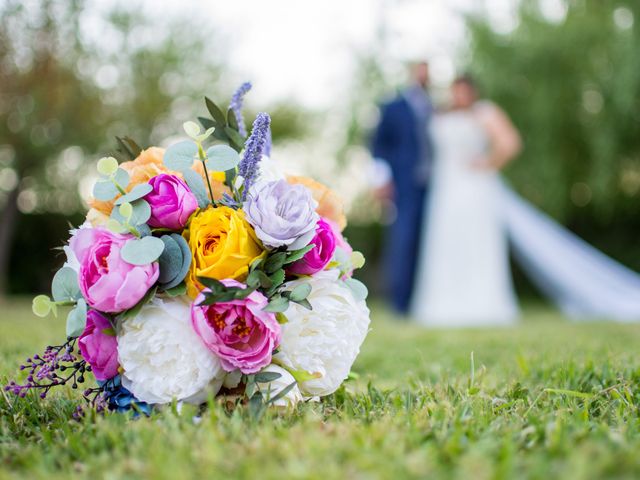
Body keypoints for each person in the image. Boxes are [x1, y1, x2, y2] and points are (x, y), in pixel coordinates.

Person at [412, 75, 521, 327]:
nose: (458, 96)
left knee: (475, 241)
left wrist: (488, 163)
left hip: (474, 188)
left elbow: (510, 143)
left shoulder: (484, 112)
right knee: (447, 242)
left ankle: (482, 302)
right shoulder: (440, 115)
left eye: (463, 91)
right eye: (455, 91)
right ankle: (442, 303)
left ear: (473, 92)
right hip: (444, 190)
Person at [371, 61, 434, 315]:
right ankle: (400, 303)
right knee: (403, 240)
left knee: (428, 241)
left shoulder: (435, 107)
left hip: (434, 186)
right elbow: (377, 145)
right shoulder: (393, 106)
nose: (424, 74)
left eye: (427, 69)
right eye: (421, 68)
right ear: (412, 72)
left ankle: (424, 300)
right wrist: (381, 179)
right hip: (403, 185)